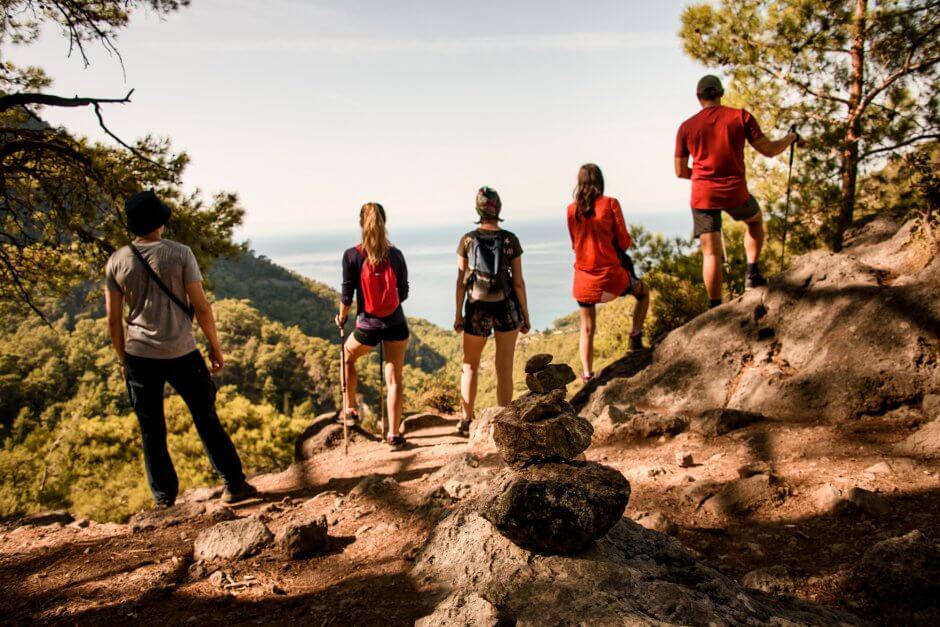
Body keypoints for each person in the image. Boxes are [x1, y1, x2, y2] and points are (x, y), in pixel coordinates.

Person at [105, 190, 257, 508]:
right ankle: (233, 484)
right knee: (205, 417)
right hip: (182, 351)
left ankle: (164, 500)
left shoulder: (117, 261)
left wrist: (123, 359)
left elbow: (113, 320)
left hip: (139, 355)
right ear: (160, 220)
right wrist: (215, 347)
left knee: (152, 430)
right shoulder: (180, 254)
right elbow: (201, 307)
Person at [674, 74, 800, 307]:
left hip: (703, 194)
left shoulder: (686, 127)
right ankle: (752, 275)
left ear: (698, 97)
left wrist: (703, 176)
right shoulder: (740, 117)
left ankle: (715, 307)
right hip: (735, 191)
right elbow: (770, 150)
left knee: (710, 253)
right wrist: (790, 138)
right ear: (721, 93)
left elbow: (680, 171)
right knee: (754, 220)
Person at [454, 186, 531, 436]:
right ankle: (506, 419)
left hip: (476, 308)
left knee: (470, 365)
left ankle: (466, 420)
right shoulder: (511, 240)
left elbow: (460, 281)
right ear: (499, 209)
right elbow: (518, 282)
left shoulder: (467, 240)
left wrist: (458, 315)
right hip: (506, 307)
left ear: (478, 209)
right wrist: (525, 315)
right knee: (504, 366)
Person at [335, 203, 410, 449]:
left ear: (360, 224)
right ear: (384, 222)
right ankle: (393, 434)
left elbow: (346, 297)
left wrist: (342, 317)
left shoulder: (352, 255)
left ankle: (350, 409)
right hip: (396, 323)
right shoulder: (396, 255)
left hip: (368, 326)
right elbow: (404, 293)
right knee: (394, 378)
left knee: (346, 357)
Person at [567, 164, 650, 383]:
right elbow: (624, 242)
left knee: (586, 328)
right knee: (643, 293)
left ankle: (587, 375)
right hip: (612, 280)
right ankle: (635, 337)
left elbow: (575, 245)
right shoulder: (610, 204)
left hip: (584, 282)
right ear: (600, 181)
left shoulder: (571, 210)